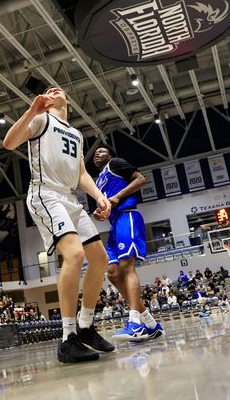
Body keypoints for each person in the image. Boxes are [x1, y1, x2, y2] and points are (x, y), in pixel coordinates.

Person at [3, 87, 114, 363]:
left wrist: (99, 195)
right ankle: (67, 338)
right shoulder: (42, 118)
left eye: (58, 88)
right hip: (46, 194)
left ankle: (85, 326)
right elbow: (9, 142)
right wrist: (32, 110)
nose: (53, 90)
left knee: (100, 259)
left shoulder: (75, 134)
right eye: (48, 90)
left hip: (70, 197)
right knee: (74, 254)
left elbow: (81, 174)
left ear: (68, 101)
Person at [92, 145, 163, 342]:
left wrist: (117, 197)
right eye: (95, 153)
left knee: (126, 267)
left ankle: (135, 323)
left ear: (110, 155)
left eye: (102, 151)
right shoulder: (98, 181)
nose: (97, 153)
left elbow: (141, 179)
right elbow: (108, 205)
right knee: (113, 273)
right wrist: (101, 214)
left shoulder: (115, 164)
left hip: (127, 216)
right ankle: (149, 323)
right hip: (114, 224)